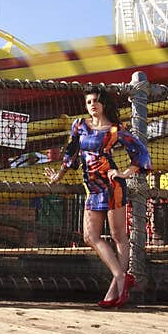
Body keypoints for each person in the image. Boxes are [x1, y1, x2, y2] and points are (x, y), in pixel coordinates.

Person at [44, 86, 152, 307]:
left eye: (95, 101)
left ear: (103, 104)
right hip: (92, 188)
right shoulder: (80, 125)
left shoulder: (114, 130)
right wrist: (58, 175)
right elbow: (70, 153)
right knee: (89, 236)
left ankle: (116, 289)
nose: (92, 105)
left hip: (113, 185)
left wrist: (123, 173)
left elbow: (141, 153)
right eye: (88, 102)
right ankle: (122, 277)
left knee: (118, 236)